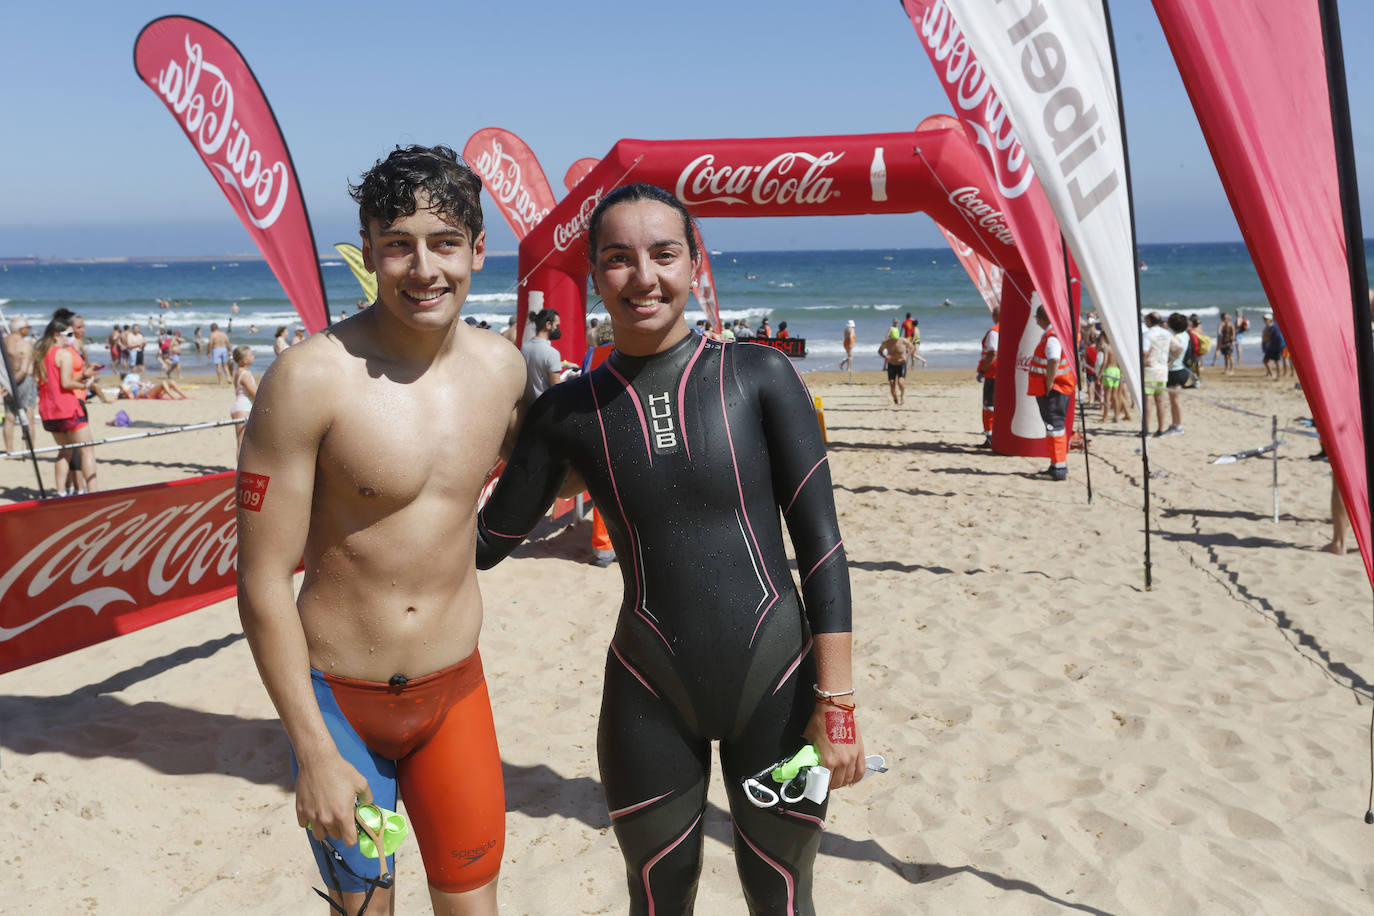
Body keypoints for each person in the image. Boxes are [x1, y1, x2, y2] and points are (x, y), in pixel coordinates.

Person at [476, 184, 863, 915]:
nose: (643, 277)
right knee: (656, 899)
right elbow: (486, 544)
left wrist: (836, 703)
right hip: (648, 693)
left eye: (663, 254)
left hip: (778, 685)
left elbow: (821, 548)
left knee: (782, 897)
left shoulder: (760, 377)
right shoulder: (568, 411)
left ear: (694, 266)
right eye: (619, 260)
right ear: (595, 275)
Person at [236, 145, 523, 915]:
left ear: (479, 252)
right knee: (366, 912)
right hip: (340, 705)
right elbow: (261, 579)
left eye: (444, 243)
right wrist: (312, 750)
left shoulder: (505, 372)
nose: (423, 268)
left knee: (473, 905)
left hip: (454, 695)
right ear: (369, 253)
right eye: (398, 244)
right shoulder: (309, 379)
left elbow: (555, 473)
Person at [34, 315, 97, 494]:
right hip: (68, 408)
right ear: (56, 335)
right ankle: (93, 491)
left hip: (49, 411)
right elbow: (66, 383)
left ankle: (61, 492)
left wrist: (83, 377)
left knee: (65, 452)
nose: (71, 337)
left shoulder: (41, 355)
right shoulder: (63, 353)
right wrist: (84, 384)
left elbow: (48, 382)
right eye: (68, 333)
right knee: (87, 451)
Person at [1027, 304, 1074, 481]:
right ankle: (1056, 464)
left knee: (1054, 427)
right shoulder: (1057, 332)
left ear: (1041, 318)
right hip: (1058, 388)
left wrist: (1049, 383)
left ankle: (1058, 468)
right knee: (1053, 426)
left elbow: (1053, 360)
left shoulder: (1052, 336)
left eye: (1036, 318)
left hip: (1054, 390)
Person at [521, 307, 577, 403]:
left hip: (527, 404)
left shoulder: (525, 347)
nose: (558, 329)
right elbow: (556, 385)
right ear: (548, 325)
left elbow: (538, 364)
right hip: (545, 406)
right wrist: (569, 378)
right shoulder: (552, 353)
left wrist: (564, 364)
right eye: (557, 326)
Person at [3, 316, 38, 454]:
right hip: (23, 381)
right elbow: (23, 369)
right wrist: (10, 385)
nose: (29, 329)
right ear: (21, 329)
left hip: (8, 380)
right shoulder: (24, 344)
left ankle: (9, 449)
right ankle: (30, 449)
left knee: (10, 415)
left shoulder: (4, 342)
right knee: (28, 414)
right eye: (27, 327)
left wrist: (5, 384)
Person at [1142, 312, 1172, 437]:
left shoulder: (1147, 334)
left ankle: (1147, 430)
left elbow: (1144, 352)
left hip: (1150, 369)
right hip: (1162, 369)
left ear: (1149, 321)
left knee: (1148, 400)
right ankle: (1161, 429)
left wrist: (1145, 361)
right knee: (1160, 399)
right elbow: (1179, 348)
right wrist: (1169, 363)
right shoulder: (1167, 333)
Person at [1162, 312, 1190, 435]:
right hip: (1180, 369)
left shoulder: (1176, 338)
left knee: (1175, 400)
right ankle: (1175, 424)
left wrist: (1167, 365)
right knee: (1173, 400)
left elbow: (1176, 352)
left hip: (1175, 370)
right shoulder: (1185, 335)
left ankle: (1178, 426)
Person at [976, 306, 999, 447]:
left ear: (995, 316)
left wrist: (982, 371)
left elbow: (992, 353)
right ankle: (994, 434)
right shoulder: (1008, 329)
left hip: (992, 374)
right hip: (1001, 374)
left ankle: (990, 437)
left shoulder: (994, 332)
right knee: (996, 406)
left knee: (989, 406)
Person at [230, 345, 258, 454]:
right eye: (251, 355)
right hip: (243, 408)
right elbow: (254, 393)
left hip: (242, 407)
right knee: (242, 444)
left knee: (243, 443)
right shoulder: (244, 374)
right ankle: (239, 470)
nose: (253, 356)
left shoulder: (239, 371)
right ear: (245, 360)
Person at [877, 327, 913, 405]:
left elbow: (912, 347)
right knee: (892, 384)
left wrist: (906, 356)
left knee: (900, 382)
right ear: (891, 337)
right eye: (893, 339)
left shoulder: (903, 341)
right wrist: (885, 356)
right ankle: (895, 399)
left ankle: (902, 395)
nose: (894, 341)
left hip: (901, 364)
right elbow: (879, 351)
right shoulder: (886, 342)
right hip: (891, 365)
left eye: (896, 340)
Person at [119, 372, 188, 400]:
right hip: (148, 394)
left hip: (151, 392)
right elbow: (122, 386)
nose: (129, 388)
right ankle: (173, 397)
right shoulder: (131, 394)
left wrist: (138, 384)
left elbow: (143, 386)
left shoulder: (135, 388)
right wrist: (137, 383)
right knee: (163, 382)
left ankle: (184, 396)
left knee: (171, 381)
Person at [1261, 312, 1284, 379]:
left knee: (1267, 361)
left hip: (1274, 347)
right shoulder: (1276, 325)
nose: (1265, 321)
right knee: (1276, 361)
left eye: (1266, 319)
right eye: (1264, 320)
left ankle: (1273, 374)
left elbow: (1267, 337)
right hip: (1275, 346)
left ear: (1270, 320)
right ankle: (1276, 375)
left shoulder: (1272, 327)